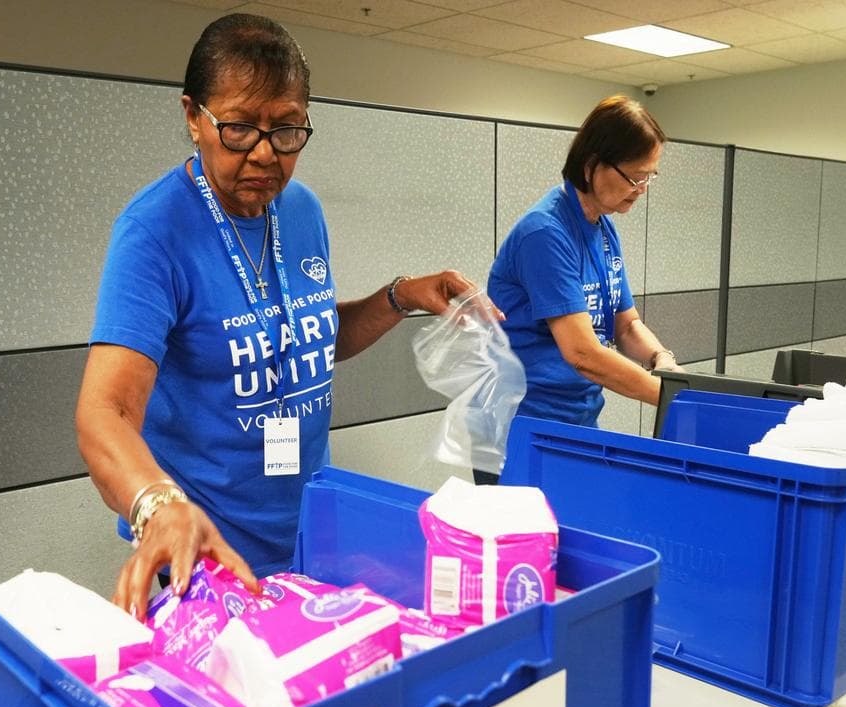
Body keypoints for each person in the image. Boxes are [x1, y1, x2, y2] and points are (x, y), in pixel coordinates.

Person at [76, 13, 483, 619]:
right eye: (239, 128)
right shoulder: (153, 233)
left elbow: (308, 337)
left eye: (288, 129)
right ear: (194, 117)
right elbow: (103, 413)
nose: (265, 155)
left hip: (313, 528)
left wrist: (399, 297)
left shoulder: (301, 210)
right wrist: (158, 505)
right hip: (212, 555)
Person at [481, 95, 681, 482]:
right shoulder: (546, 232)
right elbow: (582, 353)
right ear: (592, 165)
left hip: (577, 419)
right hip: (524, 429)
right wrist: (671, 398)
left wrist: (662, 360)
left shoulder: (602, 226)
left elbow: (625, 326)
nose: (642, 188)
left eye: (649, 178)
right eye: (635, 177)